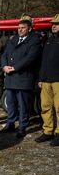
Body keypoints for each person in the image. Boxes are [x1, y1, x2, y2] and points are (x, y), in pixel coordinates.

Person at [0, 15, 42, 138]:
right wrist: (4, 66)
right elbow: (4, 55)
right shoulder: (13, 39)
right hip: (10, 77)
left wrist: (15, 68)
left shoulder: (34, 40)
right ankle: (10, 124)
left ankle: (22, 127)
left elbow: (30, 58)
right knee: (11, 103)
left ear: (29, 29)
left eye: (23, 28)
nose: (20, 30)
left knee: (23, 104)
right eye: (19, 28)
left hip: (23, 77)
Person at [35, 14, 59, 146]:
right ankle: (48, 131)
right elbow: (43, 61)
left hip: (58, 81)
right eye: (52, 24)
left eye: (56, 24)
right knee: (45, 106)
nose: (53, 26)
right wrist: (40, 78)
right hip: (46, 80)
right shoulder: (48, 40)